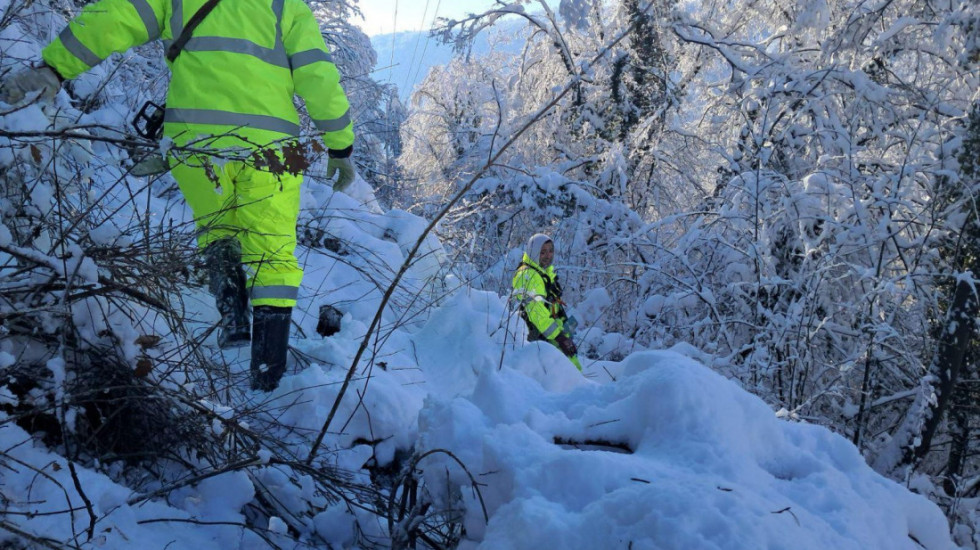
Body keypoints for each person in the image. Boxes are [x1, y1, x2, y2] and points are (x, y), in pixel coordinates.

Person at [0, 0, 357, 391]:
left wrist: (54, 66)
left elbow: (115, 16)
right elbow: (318, 76)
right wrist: (340, 145)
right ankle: (267, 373)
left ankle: (233, 311)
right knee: (273, 251)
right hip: (269, 148)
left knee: (217, 226)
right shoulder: (284, 6)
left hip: (195, 139)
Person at [512, 234, 582, 371]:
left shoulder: (542, 272)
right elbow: (537, 314)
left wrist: (565, 331)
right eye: (542, 252)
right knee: (564, 373)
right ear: (533, 252)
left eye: (550, 251)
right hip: (541, 337)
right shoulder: (529, 276)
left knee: (570, 370)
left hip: (551, 331)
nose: (547, 255)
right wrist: (560, 338)